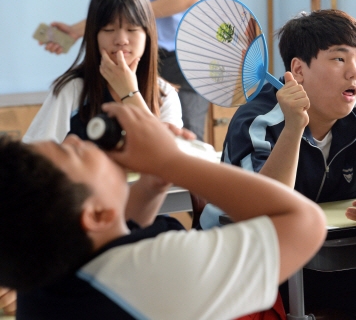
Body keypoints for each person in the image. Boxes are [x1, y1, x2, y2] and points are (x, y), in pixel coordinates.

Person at [0, 102, 327, 319]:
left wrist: (151, 183)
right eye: (73, 154)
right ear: (96, 214)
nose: (77, 140)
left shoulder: (41, 276)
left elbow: (111, 241)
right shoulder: (157, 272)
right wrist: (172, 162)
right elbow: (305, 223)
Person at [202, 9, 356, 319]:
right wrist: (293, 127)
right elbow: (263, 209)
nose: (355, 72)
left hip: (329, 259)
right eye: (339, 59)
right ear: (298, 70)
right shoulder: (258, 120)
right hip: (247, 262)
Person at [40, 0, 209, 140]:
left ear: (147, 33)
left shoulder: (165, 93)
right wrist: (75, 30)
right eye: (108, 29)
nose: (121, 40)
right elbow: (113, 10)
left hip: (178, 57)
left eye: (132, 29)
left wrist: (130, 94)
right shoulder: (72, 90)